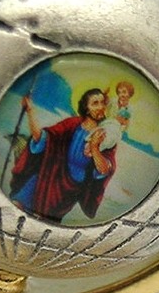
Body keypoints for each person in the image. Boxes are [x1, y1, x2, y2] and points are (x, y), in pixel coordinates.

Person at [10, 88, 116, 222]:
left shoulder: (106, 134)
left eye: (102, 103)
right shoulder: (72, 124)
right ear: (86, 108)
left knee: (45, 220)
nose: (101, 107)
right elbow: (43, 139)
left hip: (70, 188)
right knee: (17, 205)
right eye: (95, 103)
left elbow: (104, 169)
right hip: (49, 175)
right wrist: (30, 111)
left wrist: (94, 148)